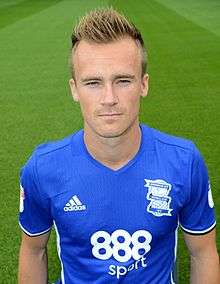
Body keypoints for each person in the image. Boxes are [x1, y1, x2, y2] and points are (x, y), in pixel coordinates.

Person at [18, 7, 219, 284]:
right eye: (93, 82)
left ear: (143, 84)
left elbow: (203, 253)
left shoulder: (184, 161)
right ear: (74, 89)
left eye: (123, 80)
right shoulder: (42, 168)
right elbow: (33, 251)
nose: (109, 98)